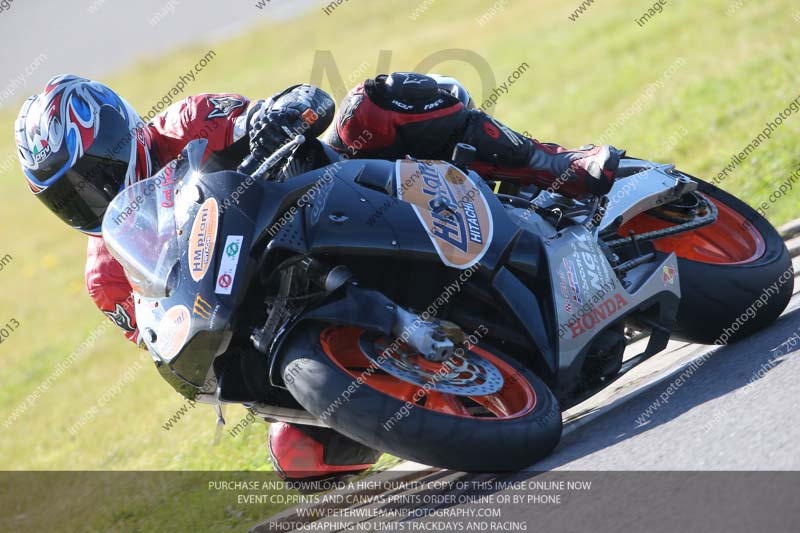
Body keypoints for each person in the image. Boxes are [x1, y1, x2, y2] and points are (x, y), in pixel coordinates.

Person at [15, 72, 623, 481]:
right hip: (267, 311)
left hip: (337, 206)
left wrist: (278, 120)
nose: (91, 195)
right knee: (298, 457)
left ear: (125, 131)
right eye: (68, 195)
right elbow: (167, 338)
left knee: (375, 103)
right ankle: (429, 397)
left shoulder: (190, 121)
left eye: (94, 171)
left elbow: (289, 107)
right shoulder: (106, 276)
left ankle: (553, 165)